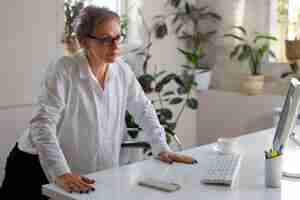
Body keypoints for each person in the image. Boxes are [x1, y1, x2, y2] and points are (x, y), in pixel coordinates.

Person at [0, 6, 188, 199]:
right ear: (83, 42)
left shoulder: (122, 70)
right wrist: (60, 173)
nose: (115, 46)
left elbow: (143, 108)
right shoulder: (64, 70)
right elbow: (42, 124)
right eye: (105, 39)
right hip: (34, 166)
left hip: (81, 173)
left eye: (117, 37)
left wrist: (161, 147)